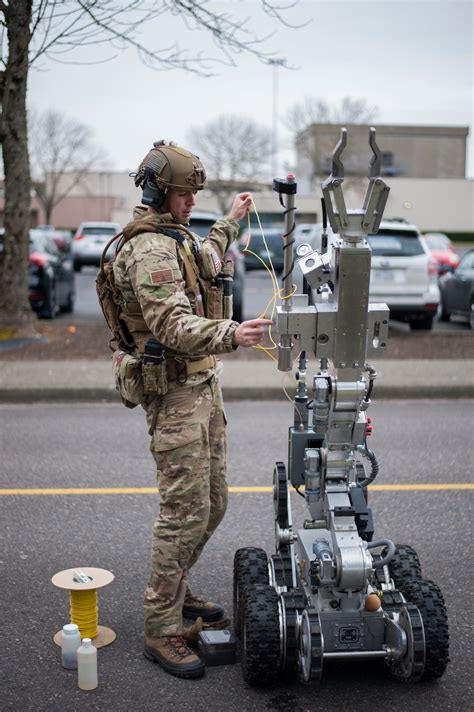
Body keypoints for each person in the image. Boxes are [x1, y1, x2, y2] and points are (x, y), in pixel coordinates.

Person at [112, 140, 271, 679]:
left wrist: (228, 222)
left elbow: (203, 256)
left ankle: (175, 593)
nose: (190, 202)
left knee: (215, 503)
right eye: (184, 194)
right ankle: (161, 628)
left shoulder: (173, 237)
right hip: (176, 393)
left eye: (194, 194)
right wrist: (233, 333)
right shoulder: (148, 251)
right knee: (183, 514)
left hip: (203, 386)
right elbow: (172, 327)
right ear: (159, 192)